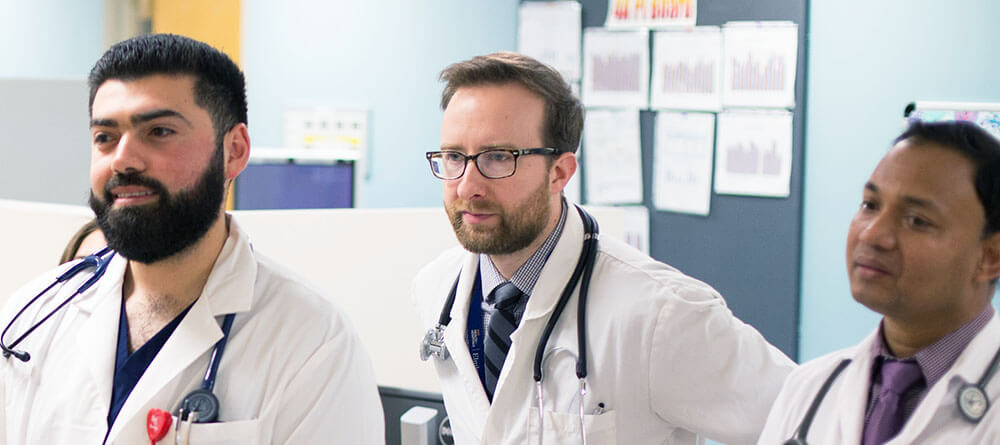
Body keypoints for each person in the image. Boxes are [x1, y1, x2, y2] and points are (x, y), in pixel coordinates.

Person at [0, 34, 384, 444]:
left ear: (234, 151)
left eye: (159, 131)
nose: (124, 159)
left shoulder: (313, 344)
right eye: (105, 137)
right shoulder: (32, 316)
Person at [411, 52, 795, 445]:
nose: (466, 185)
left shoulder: (659, 315)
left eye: (497, 158)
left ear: (559, 172)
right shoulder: (437, 288)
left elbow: (809, 421)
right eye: (454, 157)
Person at [758, 120, 1000, 444]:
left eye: (917, 220)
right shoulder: (810, 388)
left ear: (990, 257)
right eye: (870, 205)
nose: (873, 234)